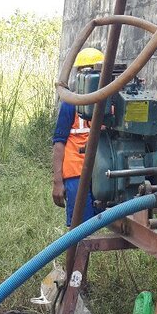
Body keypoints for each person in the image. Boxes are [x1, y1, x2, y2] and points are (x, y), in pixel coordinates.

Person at [52, 47, 103, 226]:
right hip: (76, 174)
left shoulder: (109, 102)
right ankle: (77, 254)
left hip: (103, 174)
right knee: (79, 227)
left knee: (103, 223)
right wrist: (58, 182)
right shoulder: (70, 104)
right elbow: (59, 144)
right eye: (84, 72)